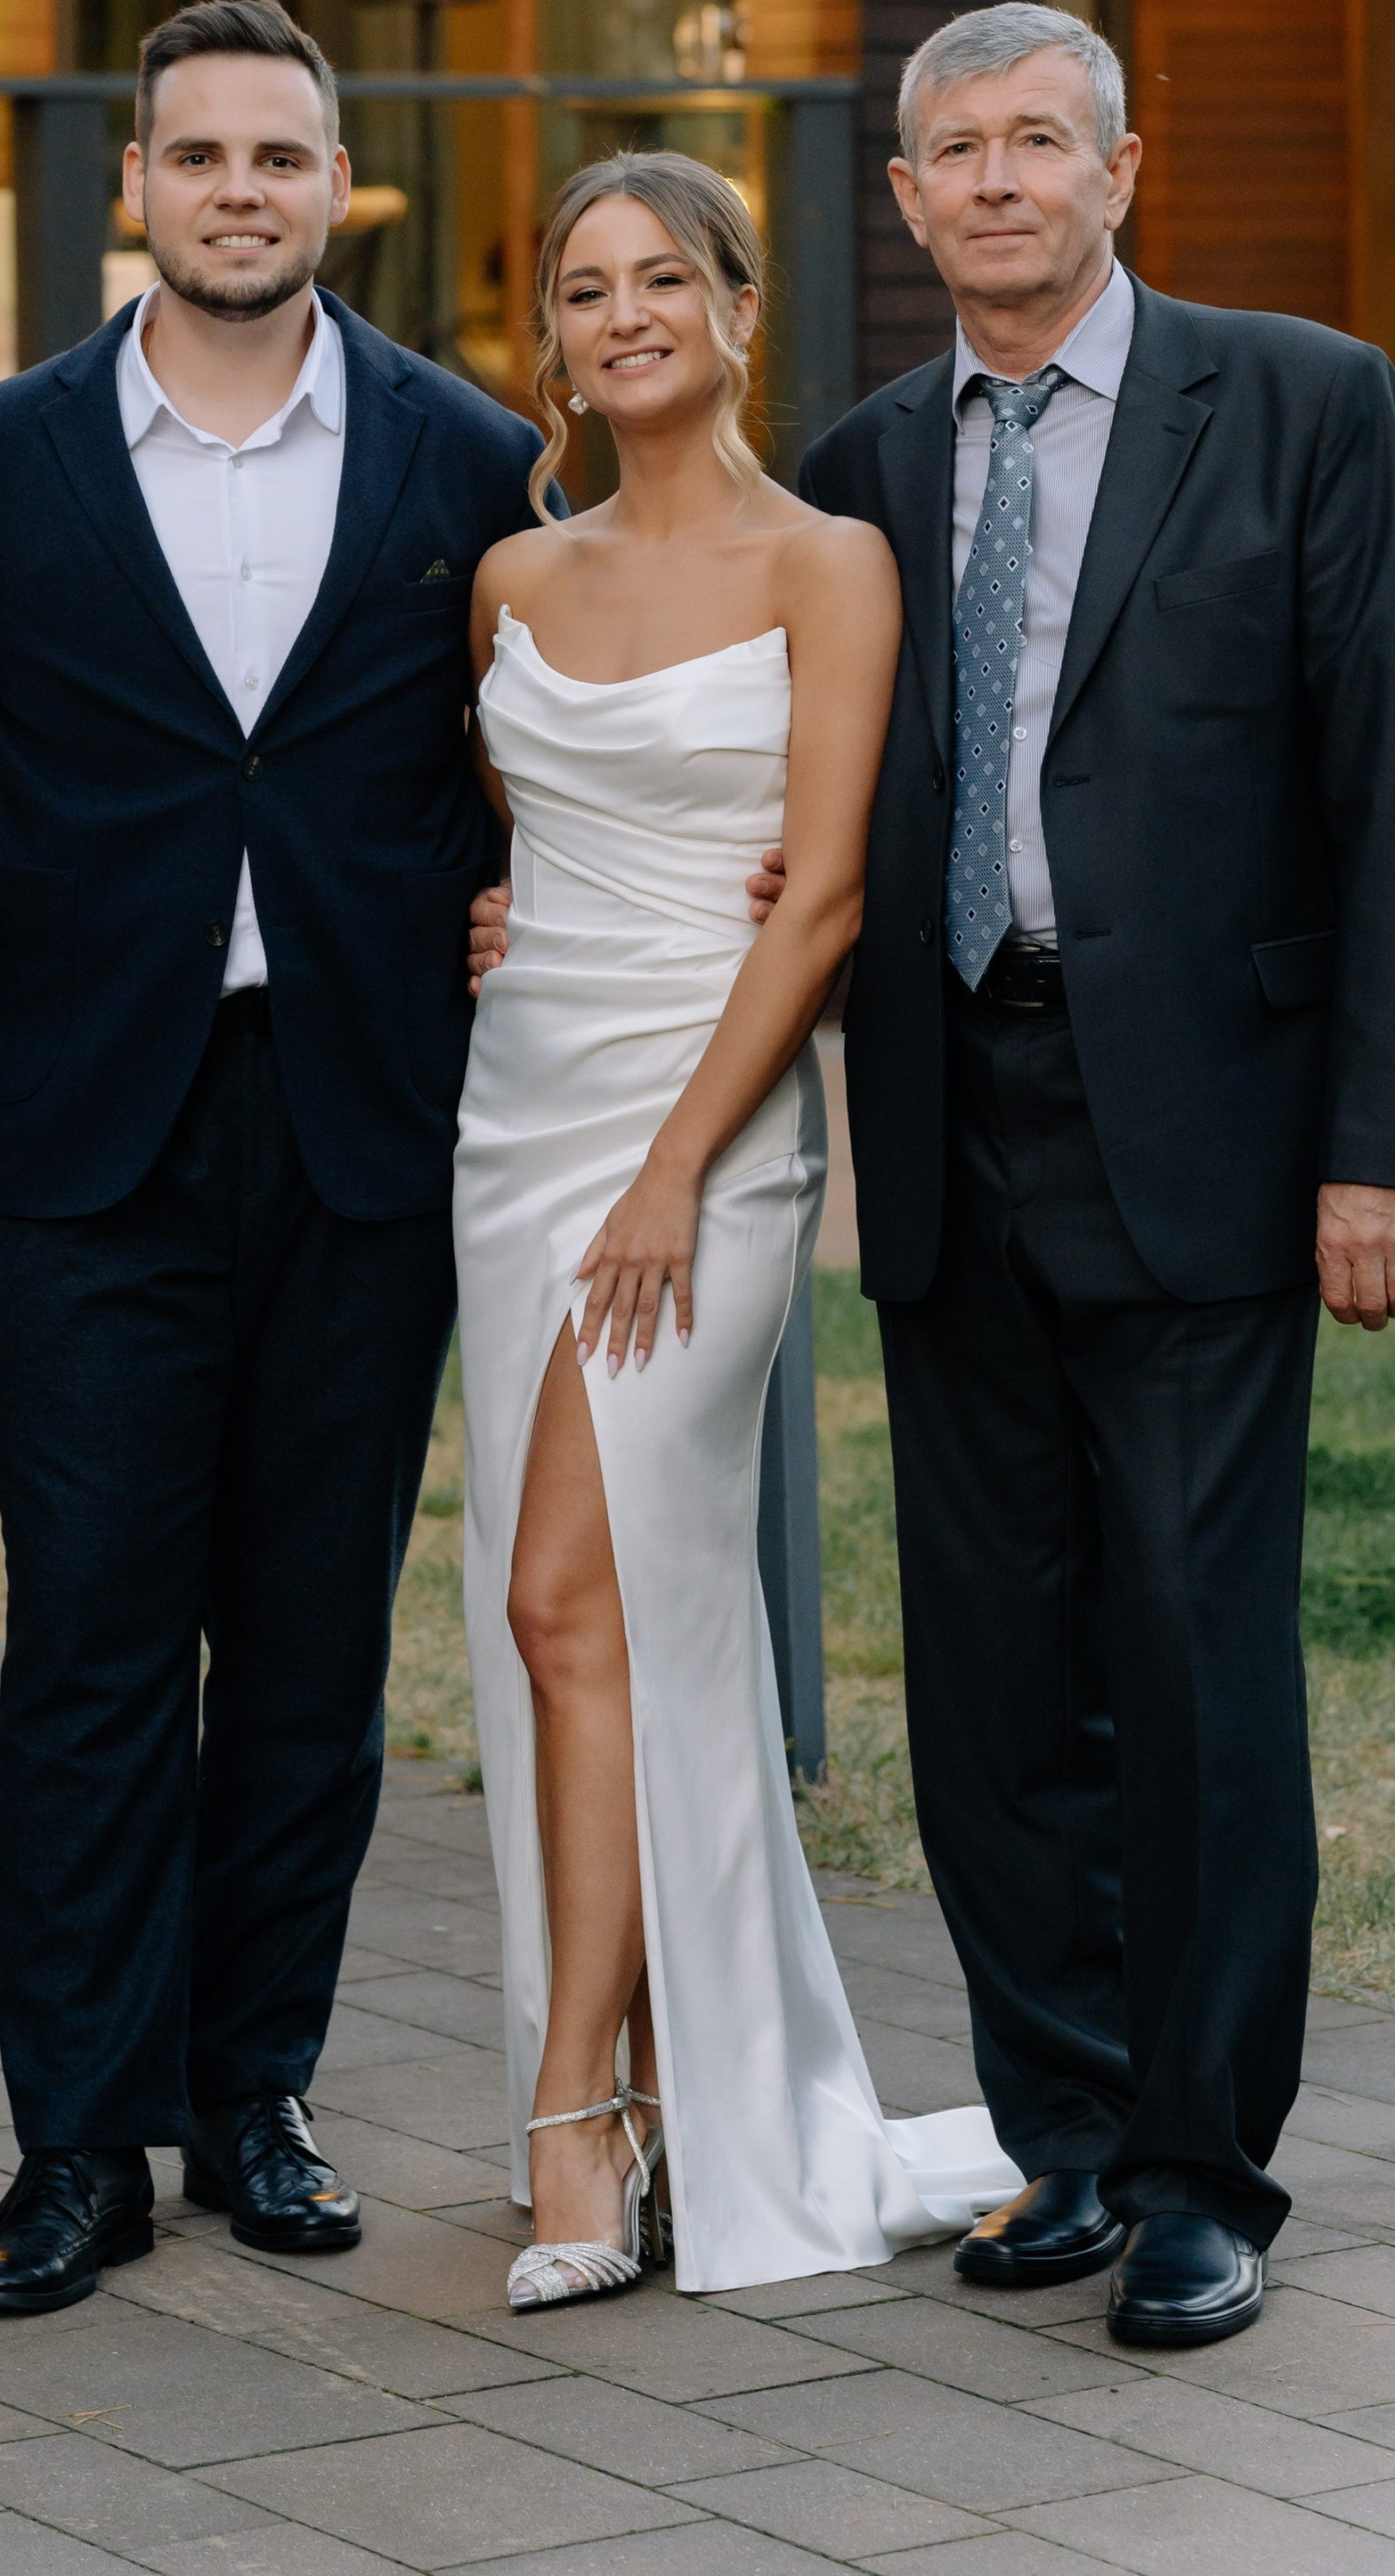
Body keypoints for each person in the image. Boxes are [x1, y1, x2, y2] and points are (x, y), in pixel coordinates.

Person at [795, 1, 1395, 2346]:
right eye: (953, 151)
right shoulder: (858, 467)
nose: (995, 182)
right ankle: (1065, 2131)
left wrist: (1386, 1144)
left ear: (1120, 169)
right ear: (903, 199)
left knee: (1192, 1664)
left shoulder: (1302, 401)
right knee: (993, 1677)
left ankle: (1204, 2168)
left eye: (1037, 142)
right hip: (948, 1123)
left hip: (1210, 1128)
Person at [0, 0, 546, 2316]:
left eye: (283, 158)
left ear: (340, 185)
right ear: (134, 188)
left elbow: (527, 745)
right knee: (84, 1647)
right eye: (199, 158)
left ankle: (253, 2089)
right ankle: (80, 2139)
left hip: (360, 1125)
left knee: (304, 1650)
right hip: (84, 1136)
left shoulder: (472, 461)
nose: (239, 193)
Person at [457, 149, 1018, 2307]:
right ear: (560, 340)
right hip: (513, 1131)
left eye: (657, 277)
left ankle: (575, 2108)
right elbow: (525, 851)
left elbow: (822, 894)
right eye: (582, 286)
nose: (621, 316)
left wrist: (679, 1158)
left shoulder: (831, 563)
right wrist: (507, 932)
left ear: (733, 308)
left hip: (708, 1134)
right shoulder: (508, 578)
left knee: (558, 1581)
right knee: (586, 1622)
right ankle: (659, 2091)